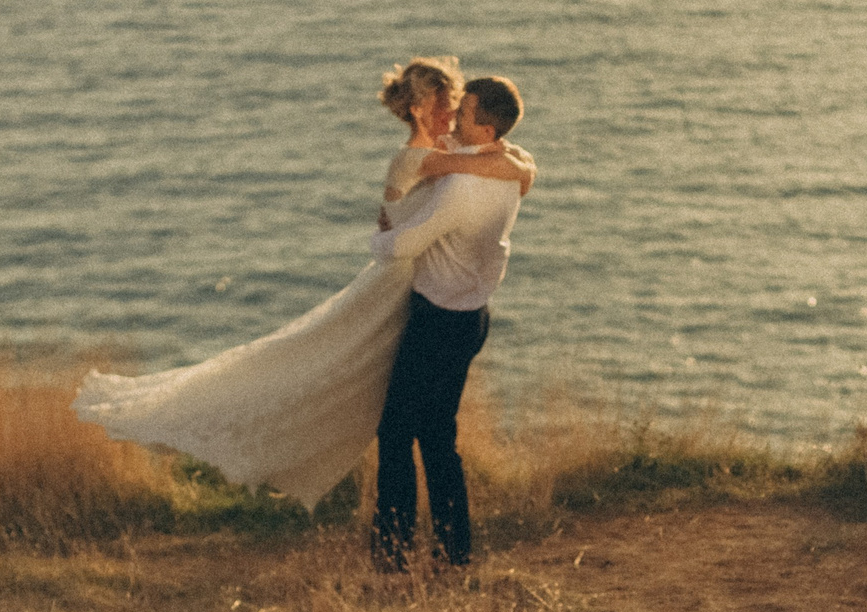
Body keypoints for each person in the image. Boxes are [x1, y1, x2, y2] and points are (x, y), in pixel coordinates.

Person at [72, 59, 531, 508]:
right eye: (444, 104)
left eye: (456, 106)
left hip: (421, 290)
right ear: (418, 110)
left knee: (394, 416)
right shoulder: (424, 159)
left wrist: (502, 162)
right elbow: (510, 169)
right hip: (405, 284)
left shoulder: (453, 155)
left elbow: (507, 170)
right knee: (338, 374)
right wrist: (506, 161)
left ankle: (407, 544)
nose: (450, 114)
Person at [366, 74, 526, 572]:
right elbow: (523, 164)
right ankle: (454, 553)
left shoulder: (462, 186)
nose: (454, 117)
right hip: (472, 319)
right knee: (437, 438)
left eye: (465, 110)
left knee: (396, 434)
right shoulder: (507, 170)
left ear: (486, 126)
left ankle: (392, 555)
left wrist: (385, 229)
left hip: (435, 322)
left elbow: (403, 245)